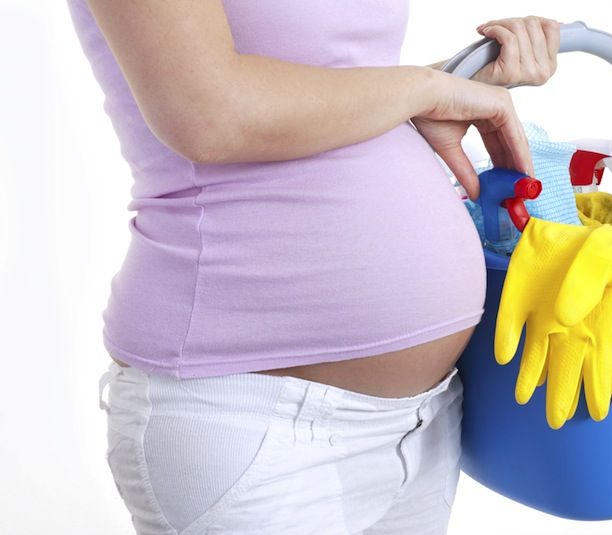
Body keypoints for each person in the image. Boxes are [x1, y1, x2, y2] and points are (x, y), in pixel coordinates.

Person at [68, 1, 559, 533]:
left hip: (422, 422)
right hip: (248, 419)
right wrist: (425, 88)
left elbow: (330, 85)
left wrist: (458, 77)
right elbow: (209, 113)